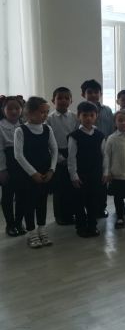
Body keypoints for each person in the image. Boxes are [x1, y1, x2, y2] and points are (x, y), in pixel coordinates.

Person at [14, 97, 58, 248]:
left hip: (45, 172)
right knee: (29, 203)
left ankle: (42, 229)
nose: (45, 115)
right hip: (28, 175)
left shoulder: (47, 129)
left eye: (47, 112)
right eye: (42, 112)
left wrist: (52, 169)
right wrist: (33, 173)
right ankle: (31, 232)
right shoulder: (21, 130)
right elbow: (18, 155)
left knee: (41, 202)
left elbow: (54, 150)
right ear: (30, 113)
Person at [67, 101, 106, 237]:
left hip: (96, 174)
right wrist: (74, 175)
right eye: (85, 115)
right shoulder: (74, 136)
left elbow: (105, 155)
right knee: (79, 201)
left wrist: (106, 172)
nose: (88, 118)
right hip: (81, 175)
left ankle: (92, 225)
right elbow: (71, 157)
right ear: (79, 116)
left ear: (96, 116)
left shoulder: (100, 135)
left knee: (93, 201)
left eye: (91, 115)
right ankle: (81, 226)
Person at [80, 79, 112, 218]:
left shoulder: (107, 110)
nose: (93, 95)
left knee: (102, 181)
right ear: (83, 94)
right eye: (89, 92)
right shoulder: (81, 110)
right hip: (88, 152)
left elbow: (111, 129)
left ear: (101, 93)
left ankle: (101, 208)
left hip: (104, 150)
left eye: (96, 92)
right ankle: (88, 208)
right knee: (88, 183)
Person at [47, 87, 78, 225]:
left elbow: (77, 136)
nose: (63, 100)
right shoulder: (49, 119)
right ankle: (60, 216)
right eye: (59, 98)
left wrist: (72, 157)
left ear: (71, 100)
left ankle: (72, 213)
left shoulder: (75, 117)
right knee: (59, 188)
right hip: (57, 155)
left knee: (73, 186)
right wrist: (59, 158)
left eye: (66, 98)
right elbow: (48, 142)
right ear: (53, 100)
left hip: (73, 153)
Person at [0, 97, 26, 237]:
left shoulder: (24, 124)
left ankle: (19, 222)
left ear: (22, 109)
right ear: (3, 110)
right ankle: (10, 224)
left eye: (17, 108)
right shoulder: (0, 126)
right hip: (8, 162)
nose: (14, 111)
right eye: (10, 108)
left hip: (23, 163)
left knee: (22, 194)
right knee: (8, 196)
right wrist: (2, 169)